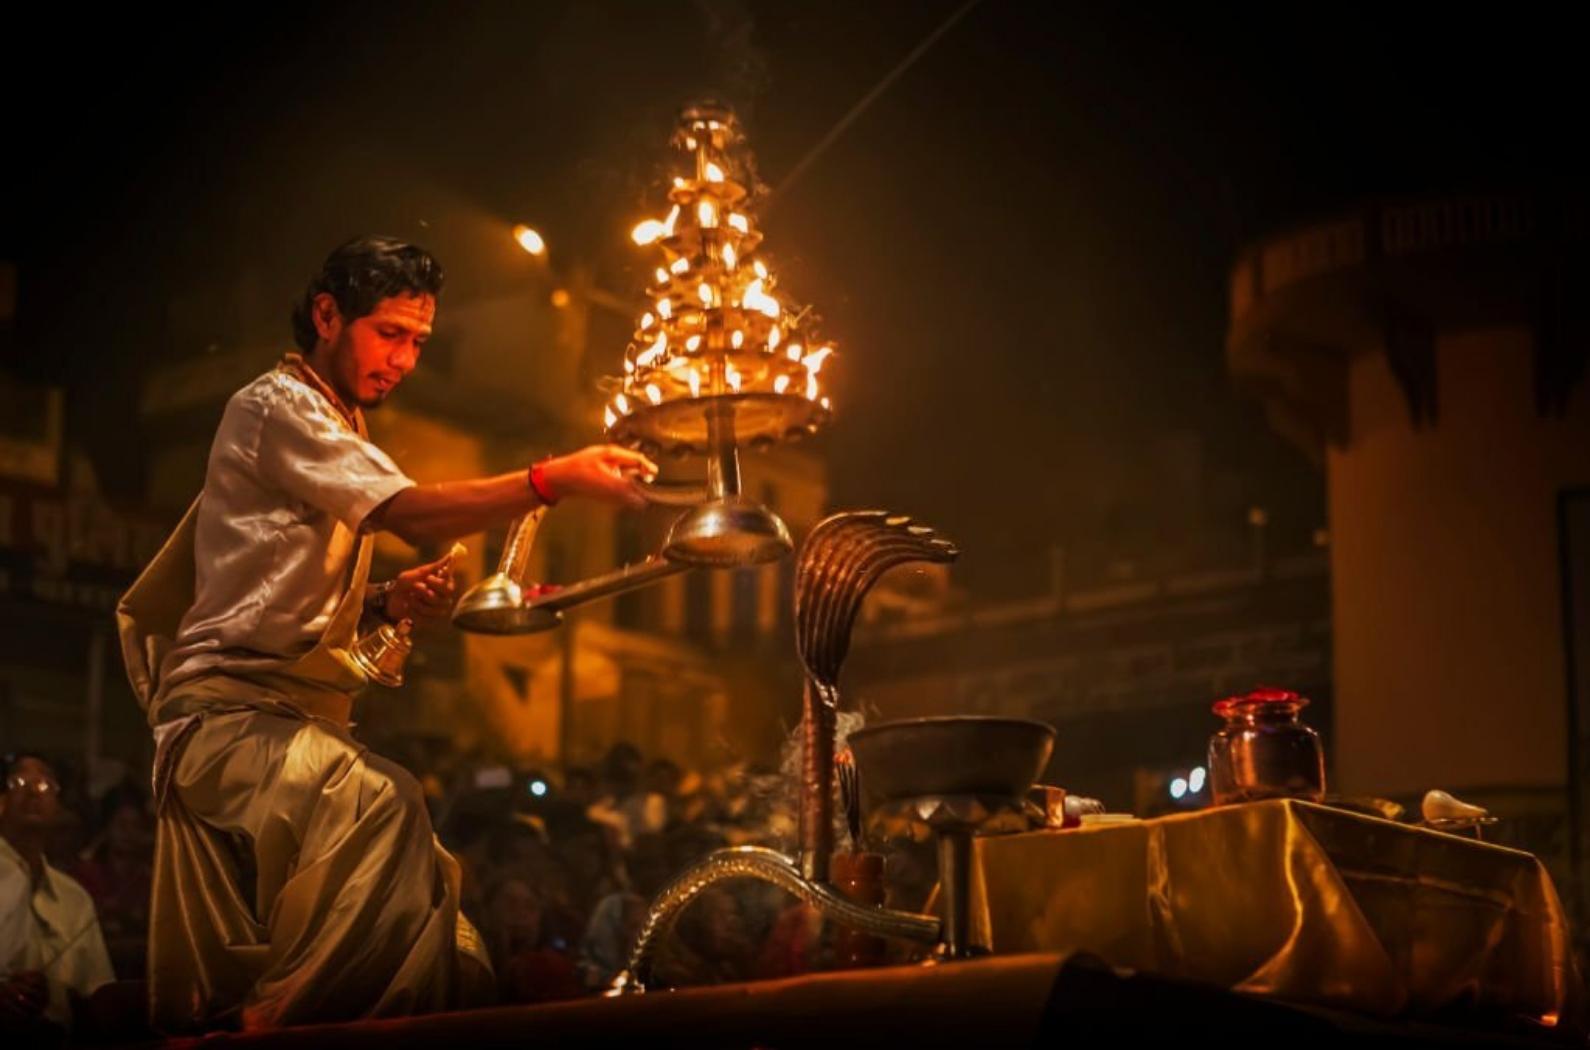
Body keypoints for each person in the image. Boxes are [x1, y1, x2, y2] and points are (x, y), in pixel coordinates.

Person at [116, 236, 657, 1031]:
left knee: (427, 879)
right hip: (227, 720)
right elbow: (408, 511)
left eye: (419, 342)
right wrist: (548, 481)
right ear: (329, 316)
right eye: (390, 334)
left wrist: (383, 600)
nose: (404, 359)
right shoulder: (275, 404)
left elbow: (268, 579)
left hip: (286, 717)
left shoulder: (342, 423)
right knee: (385, 805)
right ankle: (285, 1033)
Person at [0, 753, 115, 1044]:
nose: (32, 790)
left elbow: (97, 990)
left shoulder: (74, 898)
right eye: (20, 781)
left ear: (59, 808)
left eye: (46, 784)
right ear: (2, 800)